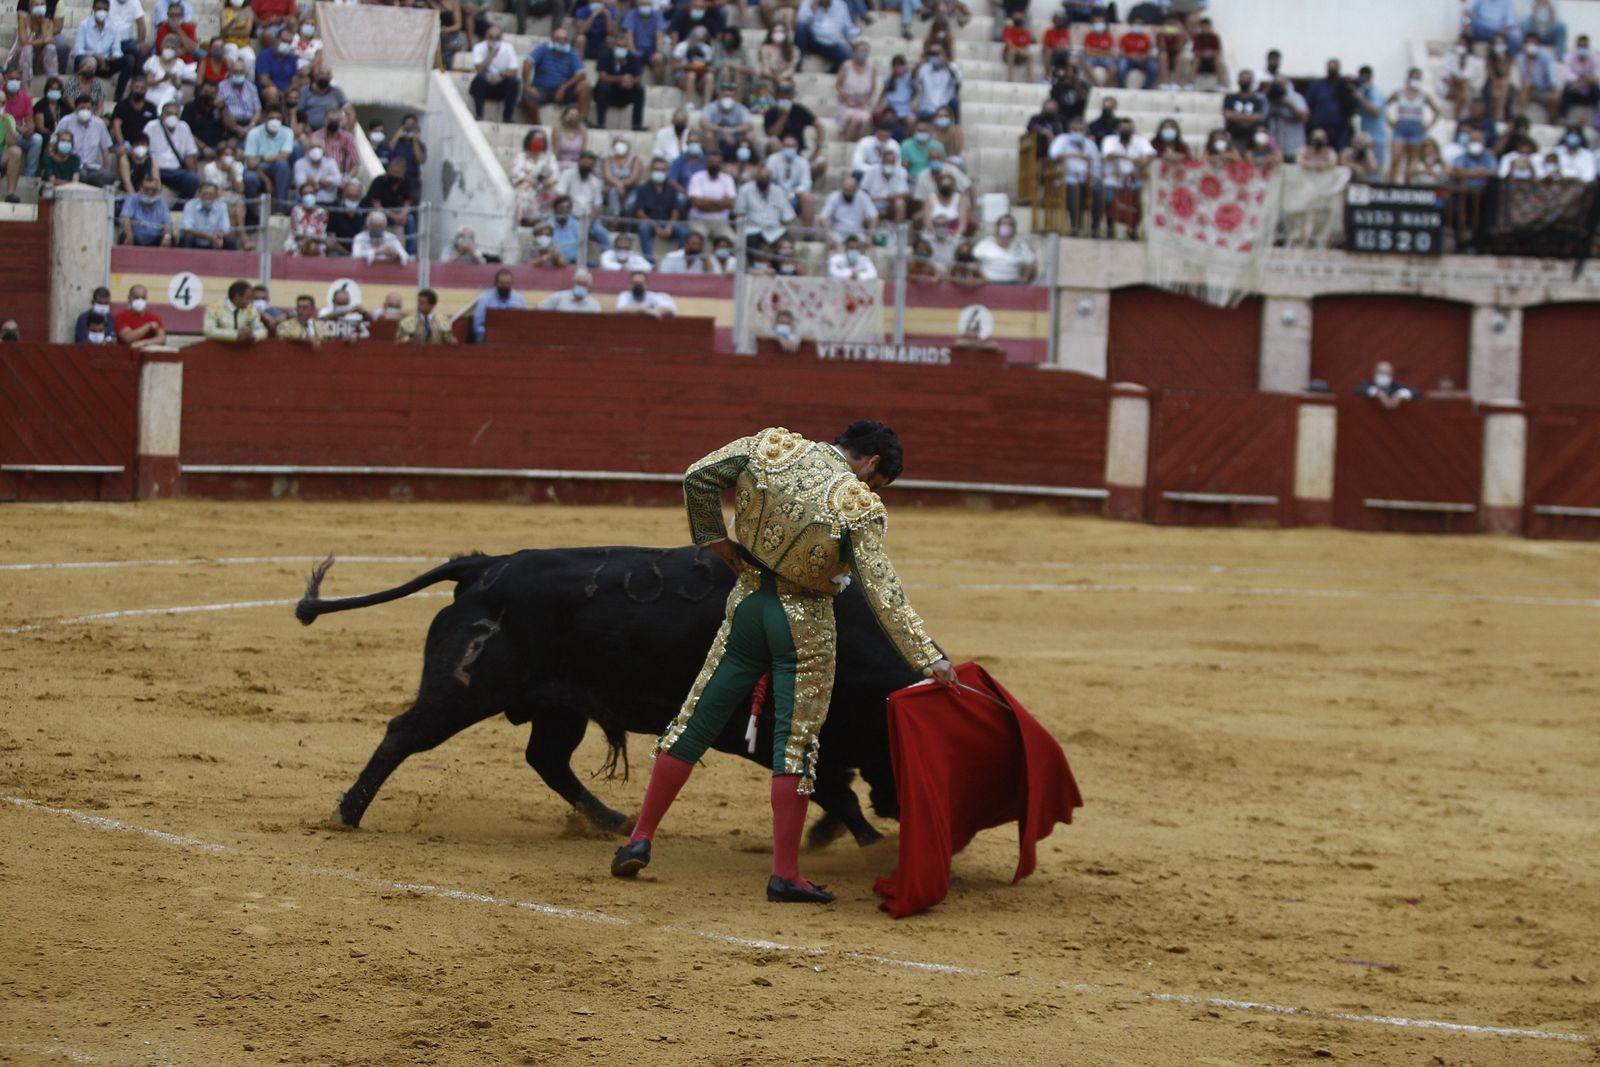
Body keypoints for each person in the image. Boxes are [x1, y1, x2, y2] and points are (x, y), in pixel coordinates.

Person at [609, 421, 955, 902]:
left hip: (747, 605)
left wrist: (716, 540)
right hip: (804, 623)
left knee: (694, 721)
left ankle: (640, 837)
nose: (871, 490)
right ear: (872, 463)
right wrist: (928, 656)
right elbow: (883, 594)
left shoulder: (773, 447)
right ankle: (785, 875)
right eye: (876, 482)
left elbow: (698, 477)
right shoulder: (856, 503)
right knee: (795, 745)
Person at [521, 25, 590, 127]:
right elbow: (528, 62)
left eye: (565, 40)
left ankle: (581, 121)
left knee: (585, 86)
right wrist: (526, 84)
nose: (563, 42)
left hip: (564, 89)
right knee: (526, 96)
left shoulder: (571, 52)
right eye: (559, 39)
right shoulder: (543, 48)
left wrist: (564, 87)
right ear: (552, 40)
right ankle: (537, 125)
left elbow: (582, 74)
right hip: (542, 88)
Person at [1385, 68, 1439, 184]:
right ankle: (1390, 185)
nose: (1415, 80)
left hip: (1416, 129)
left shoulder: (1424, 96)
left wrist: (1428, 126)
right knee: (1395, 159)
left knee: (1412, 163)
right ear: (1408, 79)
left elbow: (1437, 111)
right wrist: (1389, 121)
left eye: (1417, 78)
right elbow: (1384, 106)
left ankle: (1407, 186)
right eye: (1413, 77)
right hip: (1401, 128)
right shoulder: (1398, 93)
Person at [469, 25, 520, 121]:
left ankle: (507, 117)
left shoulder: (508, 48)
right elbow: (479, 69)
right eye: (491, 37)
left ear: (501, 38)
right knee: (479, 79)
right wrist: (491, 54)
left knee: (514, 82)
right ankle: (479, 114)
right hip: (484, 86)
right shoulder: (479, 47)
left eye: (497, 38)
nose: (494, 40)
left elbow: (514, 71)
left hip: (500, 85)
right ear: (486, 37)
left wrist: (500, 74)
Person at [595, 34, 645, 130]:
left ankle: (637, 124)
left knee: (639, 89)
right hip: (608, 93)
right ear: (613, 46)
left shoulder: (633, 58)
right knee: (603, 86)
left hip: (625, 92)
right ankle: (600, 123)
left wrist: (630, 82)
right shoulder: (605, 56)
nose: (621, 48)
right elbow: (602, 76)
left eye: (624, 46)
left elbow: (638, 78)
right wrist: (622, 78)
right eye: (618, 45)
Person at [973, 215, 1036, 283]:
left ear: (1014, 228)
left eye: (1010, 224)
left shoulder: (1020, 245)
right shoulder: (986, 243)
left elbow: (1032, 263)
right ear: (997, 227)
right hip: (988, 283)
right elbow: (973, 262)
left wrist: (1025, 278)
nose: (1006, 227)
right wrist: (983, 278)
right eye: (1003, 224)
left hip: (1013, 284)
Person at [469, 268, 526, 342]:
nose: (505, 286)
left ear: (511, 283)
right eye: (502, 283)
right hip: (489, 336)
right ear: (496, 283)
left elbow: (525, 322)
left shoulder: (519, 299)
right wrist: (492, 334)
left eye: (508, 283)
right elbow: (477, 324)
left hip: (512, 336)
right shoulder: (485, 298)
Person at [203, 279, 267, 344]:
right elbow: (209, 331)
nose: (251, 301)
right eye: (248, 297)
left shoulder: (250, 309)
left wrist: (252, 335)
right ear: (237, 297)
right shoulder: (214, 308)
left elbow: (262, 330)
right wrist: (237, 335)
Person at [120, 173, 171, 244]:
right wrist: (129, 235)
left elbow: (167, 223)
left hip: (155, 239)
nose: (150, 193)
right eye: (147, 189)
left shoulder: (161, 202)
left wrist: (166, 236)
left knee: (171, 239)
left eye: (154, 190)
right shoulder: (132, 199)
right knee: (124, 236)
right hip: (135, 238)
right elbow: (125, 218)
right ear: (140, 188)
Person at [1561, 35, 1600, 120]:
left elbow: (1597, 76)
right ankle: (1563, 118)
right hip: (1574, 90)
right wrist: (1585, 79)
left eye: (1584, 46)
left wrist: (1581, 81)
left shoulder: (1595, 57)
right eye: (1580, 46)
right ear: (1576, 46)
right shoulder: (1569, 56)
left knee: (1596, 89)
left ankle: (1597, 120)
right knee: (1566, 90)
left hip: (1588, 90)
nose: (1582, 48)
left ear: (1588, 46)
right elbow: (1567, 75)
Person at [537, 268, 602, 312]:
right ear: (574, 283)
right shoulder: (558, 297)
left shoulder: (594, 304)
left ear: (588, 286)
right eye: (578, 283)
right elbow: (539, 310)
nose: (581, 286)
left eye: (584, 284)